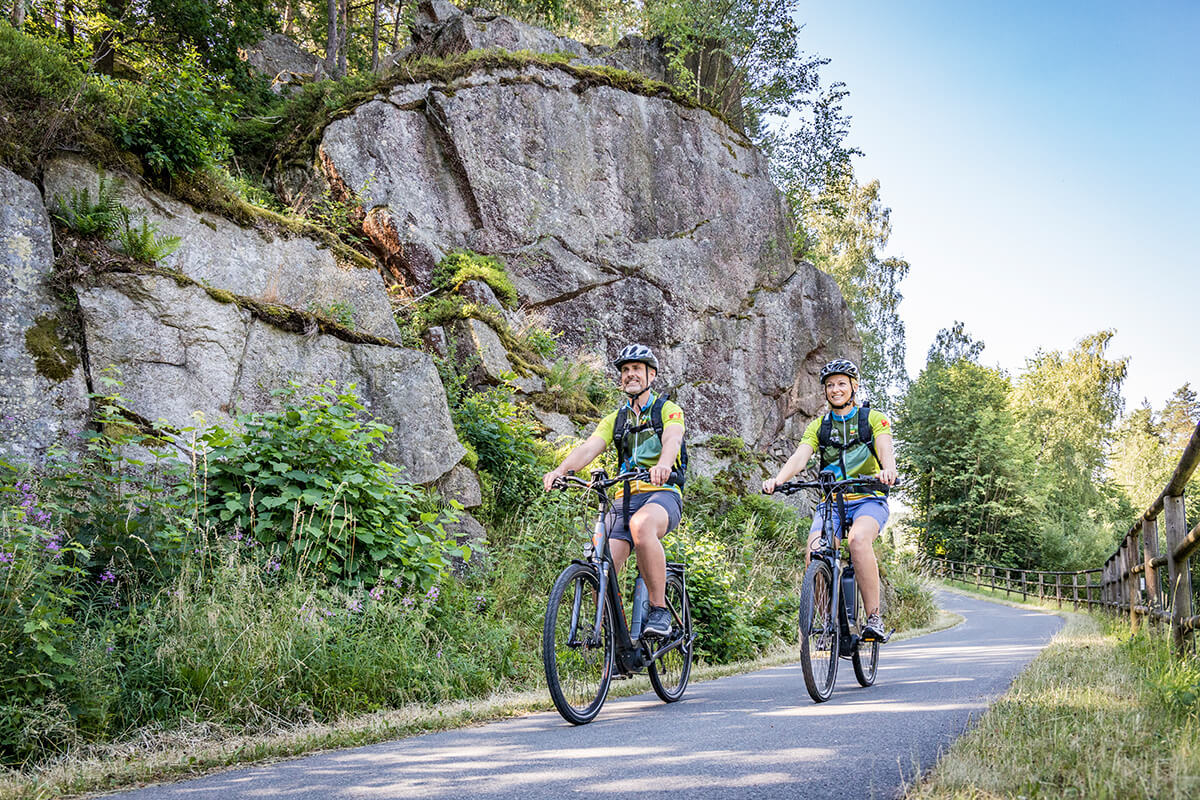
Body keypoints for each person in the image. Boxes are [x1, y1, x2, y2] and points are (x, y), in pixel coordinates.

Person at [542, 344, 686, 638]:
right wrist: (561, 471)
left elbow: (672, 439)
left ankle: (659, 611)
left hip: (662, 494)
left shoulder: (667, 410)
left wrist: (663, 464)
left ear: (651, 375)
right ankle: (614, 642)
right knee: (600, 556)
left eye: (636, 368)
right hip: (624, 499)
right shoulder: (616, 419)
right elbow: (589, 448)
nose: (630, 374)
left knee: (642, 525)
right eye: (625, 370)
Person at [762, 358, 898, 641]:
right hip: (833, 500)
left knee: (859, 541)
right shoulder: (819, 426)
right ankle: (827, 624)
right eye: (830, 385)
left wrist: (888, 470)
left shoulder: (873, 419)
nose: (835, 389)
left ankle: (874, 617)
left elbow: (885, 446)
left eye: (841, 384)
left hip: (868, 498)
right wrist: (779, 479)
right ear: (824, 390)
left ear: (854, 387)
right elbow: (801, 455)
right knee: (814, 551)